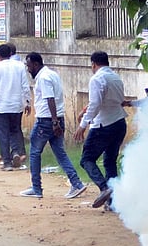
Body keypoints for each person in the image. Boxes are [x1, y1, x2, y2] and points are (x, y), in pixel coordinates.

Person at [19, 52, 88, 199]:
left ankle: (36, 188)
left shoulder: (43, 78)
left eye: (29, 66)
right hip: (56, 119)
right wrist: (57, 121)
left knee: (35, 152)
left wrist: (54, 122)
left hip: (47, 120)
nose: (28, 69)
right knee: (60, 153)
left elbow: (50, 99)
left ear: (36, 64)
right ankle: (76, 183)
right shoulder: (52, 74)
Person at [73, 51, 128, 209]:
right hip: (119, 123)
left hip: (103, 125)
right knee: (110, 161)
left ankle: (105, 188)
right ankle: (113, 202)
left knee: (86, 159)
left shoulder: (97, 78)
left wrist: (83, 125)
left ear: (93, 64)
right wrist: (85, 110)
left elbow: (96, 103)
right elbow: (106, 101)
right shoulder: (116, 78)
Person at [0, 44, 31, 171]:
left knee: (2, 134)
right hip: (16, 106)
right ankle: (15, 152)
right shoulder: (20, 66)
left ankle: (7, 162)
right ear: (10, 54)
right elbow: (25, 86)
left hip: (1, 106)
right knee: (15, 130)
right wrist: (27, 102)